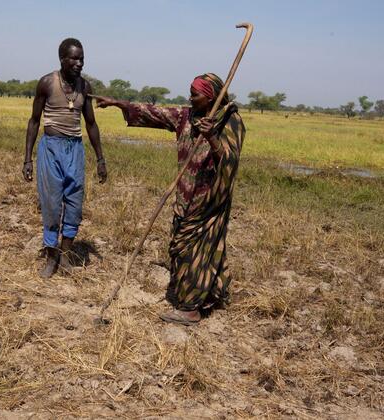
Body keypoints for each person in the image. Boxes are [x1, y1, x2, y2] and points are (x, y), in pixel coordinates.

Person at [93, 73, 245, 325]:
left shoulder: (230, 122)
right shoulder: (186, 116)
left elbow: (230, 162)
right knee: (182, 246)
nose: (190, 97)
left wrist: (212, 138)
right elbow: (156, 113)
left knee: (196, 251)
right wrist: (119, 103)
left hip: (209, 200)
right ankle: (209, 294)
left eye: (195, 94)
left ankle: (190, 308)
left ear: (209, 98)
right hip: (185, 194)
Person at [23, 38, 107, 278]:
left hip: (75, 150)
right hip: (51, 148)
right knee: (51, 204)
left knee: (74, 204)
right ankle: (51, 258)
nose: (79, 63)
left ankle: (66, 255)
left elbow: (90, 124)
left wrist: (100, 159)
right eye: (74, 58)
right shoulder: (47, 83)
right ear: (62, 59)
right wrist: (27, 159)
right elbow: (34, 121)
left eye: (82, 58)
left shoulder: (85, 87)